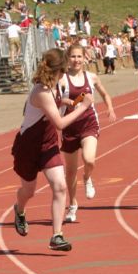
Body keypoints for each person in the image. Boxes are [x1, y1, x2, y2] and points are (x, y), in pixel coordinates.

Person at [10, 48, 93, 251]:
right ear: (58, 70)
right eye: (64, 70)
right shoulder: (42, 91)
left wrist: (64, 101)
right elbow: (59, 124)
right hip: (28, 147)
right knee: (28, 191)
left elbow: (51, 110)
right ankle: (19, 209)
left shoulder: (56, 87)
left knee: (60, 186)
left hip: (48, 144)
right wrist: (83, 107)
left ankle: (57, 235)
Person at [58, 44, 117, 223]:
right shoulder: (61, 80)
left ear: (85, 58)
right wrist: (66, 101)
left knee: (89, 159)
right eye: (73, 57)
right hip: (69, 127)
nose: (76, 60)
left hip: (89, 123)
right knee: (70, 172)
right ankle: (73, 204)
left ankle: (88, 177)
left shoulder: (91, 77)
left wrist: (110, 108)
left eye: (79, 57)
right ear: (68, 58)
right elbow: (54, 99)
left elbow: (105, 94)